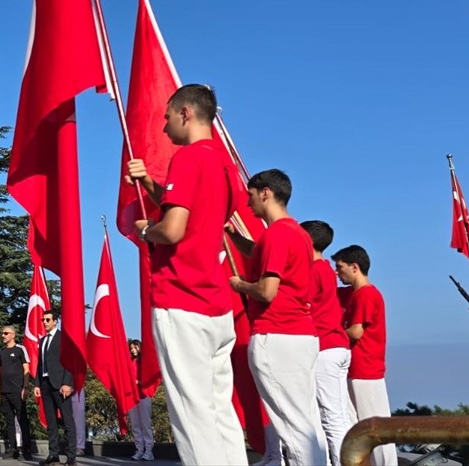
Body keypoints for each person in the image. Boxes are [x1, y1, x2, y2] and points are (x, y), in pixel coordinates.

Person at [126, 84, 247, 465]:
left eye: (166, 118)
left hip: (181, 297)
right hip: (215, 303)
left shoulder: (189, 158)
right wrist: (148, 183)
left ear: (185, 114)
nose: (163, 128)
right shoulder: (225, 163)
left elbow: (174, 228)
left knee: (191, 413)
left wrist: (146, 230)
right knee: (218, 408)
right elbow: (197, 209)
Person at [227, 169, 326, 465]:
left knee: (293, 428)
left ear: (266, 192)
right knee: (306, 423)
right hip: (300, 335)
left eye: (251, 195)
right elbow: (259, 252)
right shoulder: (298, 234)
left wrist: (240, 285)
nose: (248, 203)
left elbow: (268, 290)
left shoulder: (277, 234)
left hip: (277, 334)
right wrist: (234, 236)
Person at [333, 245, 397, 466]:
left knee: (374, 428)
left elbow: (356, 331)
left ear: (354, 267)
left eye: (339, 267)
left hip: (365, 370)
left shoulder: (365, 295)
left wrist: (331, 335)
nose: (337, 272)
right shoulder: (358, 294)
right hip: (362, 369)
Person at [301, 220, 354, 466]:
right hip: (337, 346)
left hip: (325, 347)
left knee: (330, 416)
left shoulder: (313, 269)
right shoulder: (325, 268)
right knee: (339, 413)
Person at [34, 310, 76, 465]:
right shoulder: (43, 340)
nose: (44, 322)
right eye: (43, 320)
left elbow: (70, 362)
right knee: (51, 422)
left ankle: (71, 456)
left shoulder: (63, 338)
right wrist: (37, 384)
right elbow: (40, 364)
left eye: (47, 320)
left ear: (55, 321)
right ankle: (53, 454)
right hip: (45, 384)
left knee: (67, 421)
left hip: (60, 385)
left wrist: (67, 383)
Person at [0, 325, 33, 461]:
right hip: (4, 391)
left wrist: (25, 387)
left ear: (13, 335)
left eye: (6, 333)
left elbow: (26, 369)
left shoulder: (20, 349)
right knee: (9, 421)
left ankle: (27, 449)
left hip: (17, 390)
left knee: (22, 419)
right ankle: (13, 449)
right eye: (2, 333)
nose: (3, 335)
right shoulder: (2, 351)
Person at [126, 339, 155, 462]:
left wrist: (137, 382)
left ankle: (149, 451)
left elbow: (149, 380)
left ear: (139, 347)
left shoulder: (145, 362)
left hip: (143, 396)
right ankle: (139, 449)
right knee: (135, 425)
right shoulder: (129, 362)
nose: (133, 350)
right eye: (131, 348)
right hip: (132, 397)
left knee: (145, 424)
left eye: (135, 347)